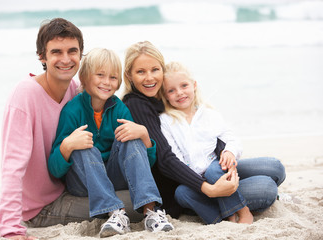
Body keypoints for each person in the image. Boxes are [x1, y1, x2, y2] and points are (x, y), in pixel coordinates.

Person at [121, 41, 286, 223]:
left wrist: (227, 156)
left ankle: (231, 202)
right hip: (190, 184)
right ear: (129, 75)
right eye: (140, 72)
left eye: (154, 70)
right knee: (267, 188)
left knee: (275, 167)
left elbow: (218, 136)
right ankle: (233, 210)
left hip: (213, 168)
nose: (150, 78)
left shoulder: (180, 106)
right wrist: (210, 188)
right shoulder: (146, 108)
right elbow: (166, 159)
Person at [48, 48, 174, 238]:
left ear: (118, 83)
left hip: (115, 176)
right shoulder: (72, 111)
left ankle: (151, 212)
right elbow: (55, 170)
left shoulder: (119, 108)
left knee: (131, 138)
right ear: (84, 77)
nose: (106, 82)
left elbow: (144, 163)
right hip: (83, 181)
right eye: (100, 75)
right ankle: (115, 213)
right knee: (83, 146)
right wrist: (67, 146)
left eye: (113, 77)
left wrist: (144, 136)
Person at [0, 18, 90, 240]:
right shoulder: (25, 95)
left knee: (141, 195)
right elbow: (12, 166)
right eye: (56, 52)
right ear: (42, 56)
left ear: (81, 54)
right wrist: (11, 231)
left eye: (72, 51)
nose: (66, 59)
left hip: (67, 188)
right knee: (133, 205)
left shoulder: (74, 90)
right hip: (41, 208)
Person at [160, 61, 253, 223]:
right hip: (195, 180)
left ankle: (240, 211)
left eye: (184, 86)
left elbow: (231, 137)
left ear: (194, 85)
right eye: (171, 90)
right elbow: (175, 157)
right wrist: (197, 181)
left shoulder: (209, 114)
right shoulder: (166, 120)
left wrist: (230, 151)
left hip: (217, 170)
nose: (180, 93)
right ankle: (225, 217)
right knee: (181, 193)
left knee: (213, 171)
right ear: (165, 96)